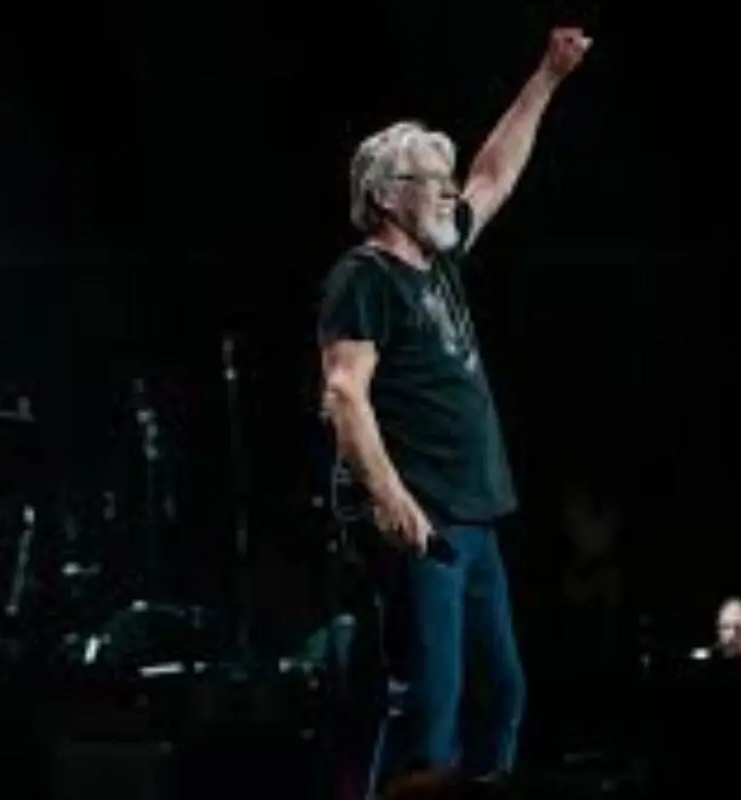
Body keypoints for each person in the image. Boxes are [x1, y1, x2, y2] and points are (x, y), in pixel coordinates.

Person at [318, 27, 591, 789]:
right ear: (384, 195)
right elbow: (343, 392)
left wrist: (547, 76)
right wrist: (391, 498)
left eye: (446, 176)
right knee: (428, 707)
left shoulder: (437, 260)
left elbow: (494, 173)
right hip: (423, 515)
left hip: (472, 514)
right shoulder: (365, 277)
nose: (447, 190)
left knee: (500, 694)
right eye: (428, 178)